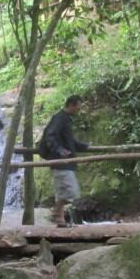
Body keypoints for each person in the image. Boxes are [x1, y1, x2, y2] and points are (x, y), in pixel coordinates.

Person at [43, 95, 89, 226]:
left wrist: (84, 146)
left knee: (62, 191)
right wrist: (60, 150)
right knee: (72, 192)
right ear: (71, 105)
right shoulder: (60, 118)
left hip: (64, 163)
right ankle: (55, 213)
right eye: (78, 107)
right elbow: (49, 135)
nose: (78, 111)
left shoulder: (65, 119)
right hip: (61, 162)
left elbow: (69, 140)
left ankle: (59, 220)